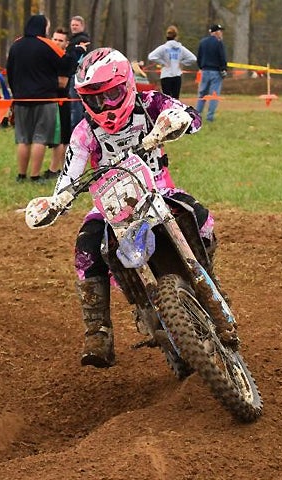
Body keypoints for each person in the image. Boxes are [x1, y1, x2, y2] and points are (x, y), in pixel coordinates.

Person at [48, 47, 230, 368]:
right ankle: (98, 331)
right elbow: (70, 173)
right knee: (86, 247)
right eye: (95, 99)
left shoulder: (150, 105)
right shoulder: (84, 132)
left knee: (198, 217)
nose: (104, 105)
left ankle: (208, 281)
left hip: (158, 189)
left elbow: (192, 116)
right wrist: (57, 200)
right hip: (111, 206)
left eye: (112, 93)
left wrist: (177, 119)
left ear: (128, 84)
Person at [6, 14, 66, 183]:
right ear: (42, 27)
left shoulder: (16, 45)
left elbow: (9, 70)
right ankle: (34, 176)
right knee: (40, 138)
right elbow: (65, 63)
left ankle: (21, 175)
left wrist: (16, 92)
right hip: (45, 99)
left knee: (24, 139)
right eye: (47, 27)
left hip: (21, 99)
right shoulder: (48, 45)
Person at [45, 27, 86, 180]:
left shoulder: (65, 57)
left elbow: (62, 83)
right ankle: (64, 169)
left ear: (66, 43)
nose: (56, 42)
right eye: (54, 39)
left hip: (62, 99)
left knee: (61, 138)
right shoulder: (50, 55)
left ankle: (56, 169)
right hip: (52, 99)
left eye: (60, 40)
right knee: (59, 137)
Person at [147, 25, 197, 99]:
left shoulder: (163, 48)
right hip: (177, 76)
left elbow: (151, 56)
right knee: (176, 99)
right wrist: (182, 63)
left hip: (166, 75)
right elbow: (193, 58)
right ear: (176, 36)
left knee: (166, 99)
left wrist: (163, 63)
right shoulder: (181, 48)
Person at [196, 24, 227, 122]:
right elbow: (222, 57)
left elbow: (199, 57)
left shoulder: (203, 42)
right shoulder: (219, 43)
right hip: (216, 72)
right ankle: (210, 117)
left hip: (204, 71)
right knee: (214, 95)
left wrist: (201, 67)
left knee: (202, 95)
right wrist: (224, 69)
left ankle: (196, 115)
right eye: (220, 31)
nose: (221, 33)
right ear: (216, 32)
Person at [67, 16, 92, 129]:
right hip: (77, 74)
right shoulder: (73, 40)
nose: (74, 27)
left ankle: (76, 126)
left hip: (77, 74)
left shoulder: (82, 40)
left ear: (82, 26)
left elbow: (79, 58)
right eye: (72, 25)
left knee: (76, 103)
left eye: (76, 25)